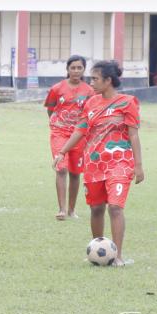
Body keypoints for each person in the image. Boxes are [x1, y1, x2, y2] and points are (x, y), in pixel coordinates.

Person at [54, 61, 144, 266]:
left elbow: (134, 135)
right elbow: (80, 130)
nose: (90, 82)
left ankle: (118, 256)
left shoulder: (127, 102)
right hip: (94, 164)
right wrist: (62, 152)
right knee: (96, 209)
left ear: (108, 80)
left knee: (115, 207)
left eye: (95, 78)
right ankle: (98, 251)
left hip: (120, 163)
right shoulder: (91, 103)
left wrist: (138, 165)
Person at [44, 55, 94, 220]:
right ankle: (62, 210)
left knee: (75, 173)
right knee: (61, 168)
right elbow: (50, 108)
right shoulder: (57, 88)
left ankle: (72, 210)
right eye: (73, 68)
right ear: (67, 69)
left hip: (79, 135)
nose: (76, 71)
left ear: (83, 70)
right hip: (59, 133)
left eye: (79, 68)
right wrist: (58, 123)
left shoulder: (89, 91)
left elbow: (90, 113)